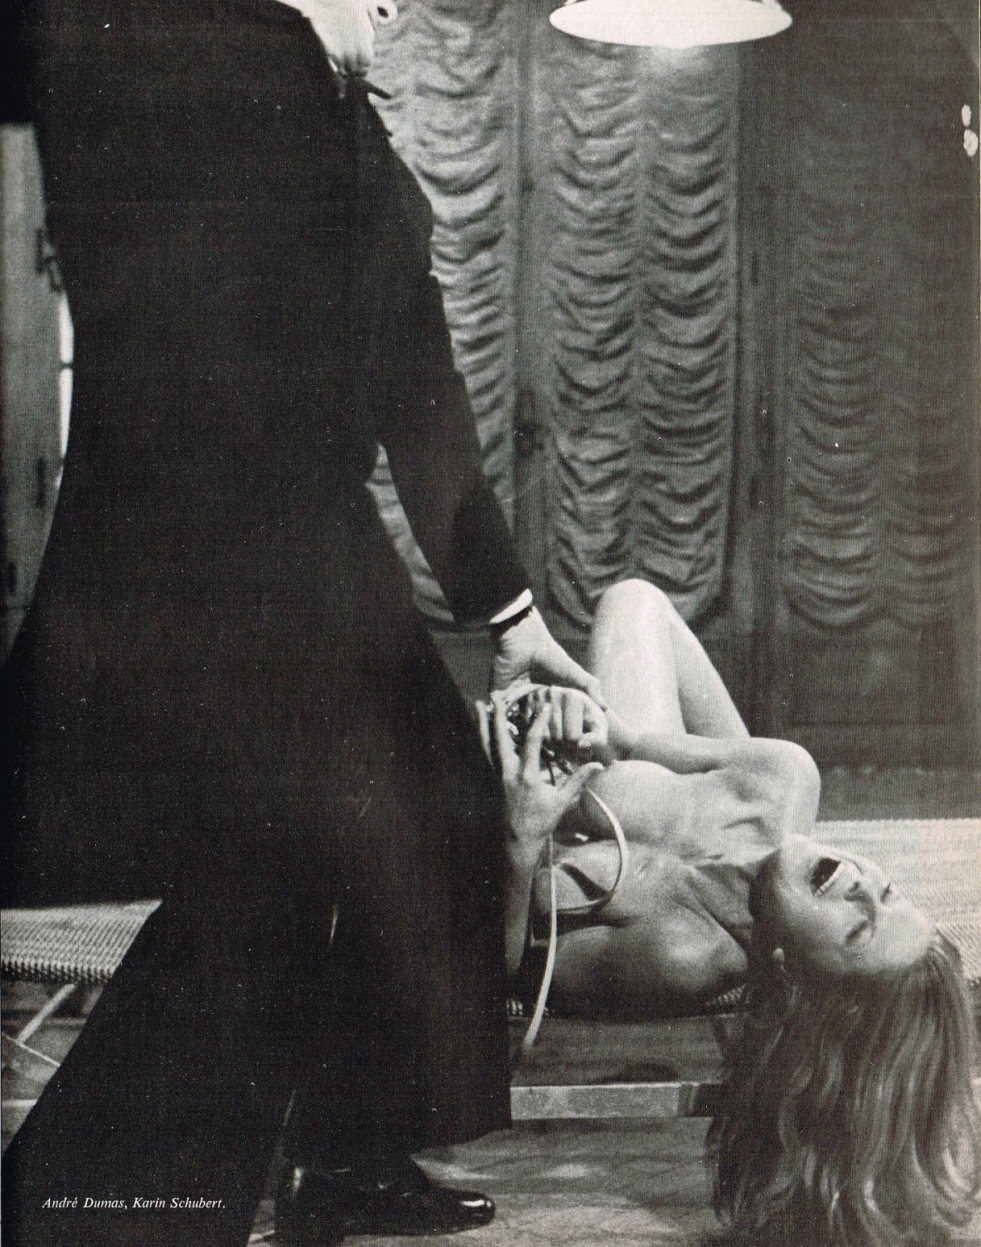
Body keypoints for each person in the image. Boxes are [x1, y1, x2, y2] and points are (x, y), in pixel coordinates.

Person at [0, 2, 603, 1245]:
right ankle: (86, 1206)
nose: (390, 8)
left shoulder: (335, 116)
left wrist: (510, 613)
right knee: (269, 884)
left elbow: (414, 376)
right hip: (192, 569)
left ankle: (334, 1157)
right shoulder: (188, 57)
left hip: (298, 549)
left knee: (419, 809)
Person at [487, 577, 981, 1245]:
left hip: (487, 826)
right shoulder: (783, 776)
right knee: (634, 598)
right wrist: (591, 725)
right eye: (887, 892)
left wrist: (519, 840)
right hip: (614, 787)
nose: (862, 884)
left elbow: (501, 970)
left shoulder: (680, 952)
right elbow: (630, 743)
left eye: (858, 927)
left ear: (794, 973)